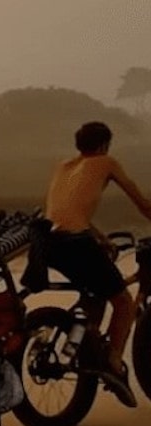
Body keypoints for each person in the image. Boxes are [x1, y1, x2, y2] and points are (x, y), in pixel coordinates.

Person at [42, 120, 151, 409]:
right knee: (124, 304)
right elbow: (143, 204)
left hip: (48, 244)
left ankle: (80, 347)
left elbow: (67, 211)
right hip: (76, 243)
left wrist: (102, 239)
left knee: (96, 296)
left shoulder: (63, 166)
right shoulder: (106, 162)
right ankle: (113, 363)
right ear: (104, 145)